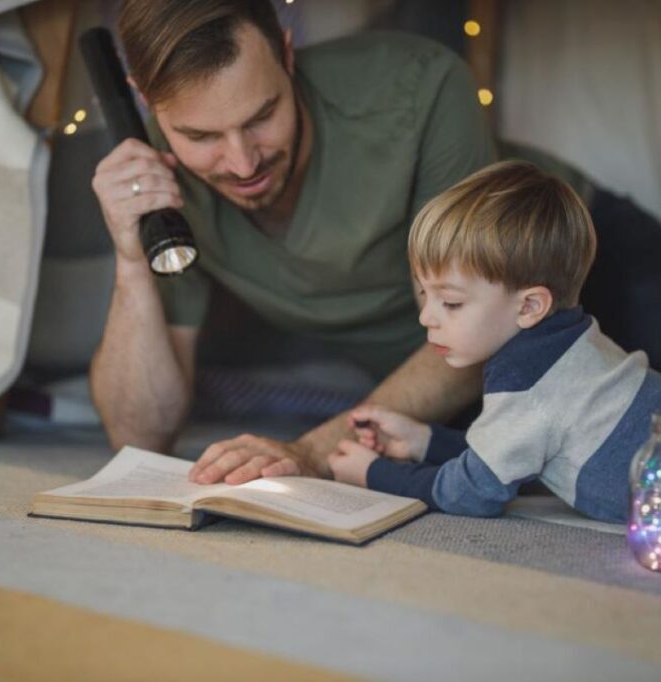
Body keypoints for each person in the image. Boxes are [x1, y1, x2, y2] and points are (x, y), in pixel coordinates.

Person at [90, 0, 496, 483]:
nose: (242, 165)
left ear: (286, 53)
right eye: (201, 136)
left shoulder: (421, 88)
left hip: (575, 272)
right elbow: (139, 436)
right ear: (144, 99)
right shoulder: (159, 176)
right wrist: (131, 257)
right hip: (442, 405)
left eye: (262, 116)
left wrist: (310, 452)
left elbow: (478, 337)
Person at [326, 161, 661, 522]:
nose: (426, 317)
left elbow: (471, 492)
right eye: (425, 295)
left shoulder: (526, 382)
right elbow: (516, 456)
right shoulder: (570, 342)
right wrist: (422, 440)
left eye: (451, 302)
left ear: (530, 306)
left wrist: (374, 474)